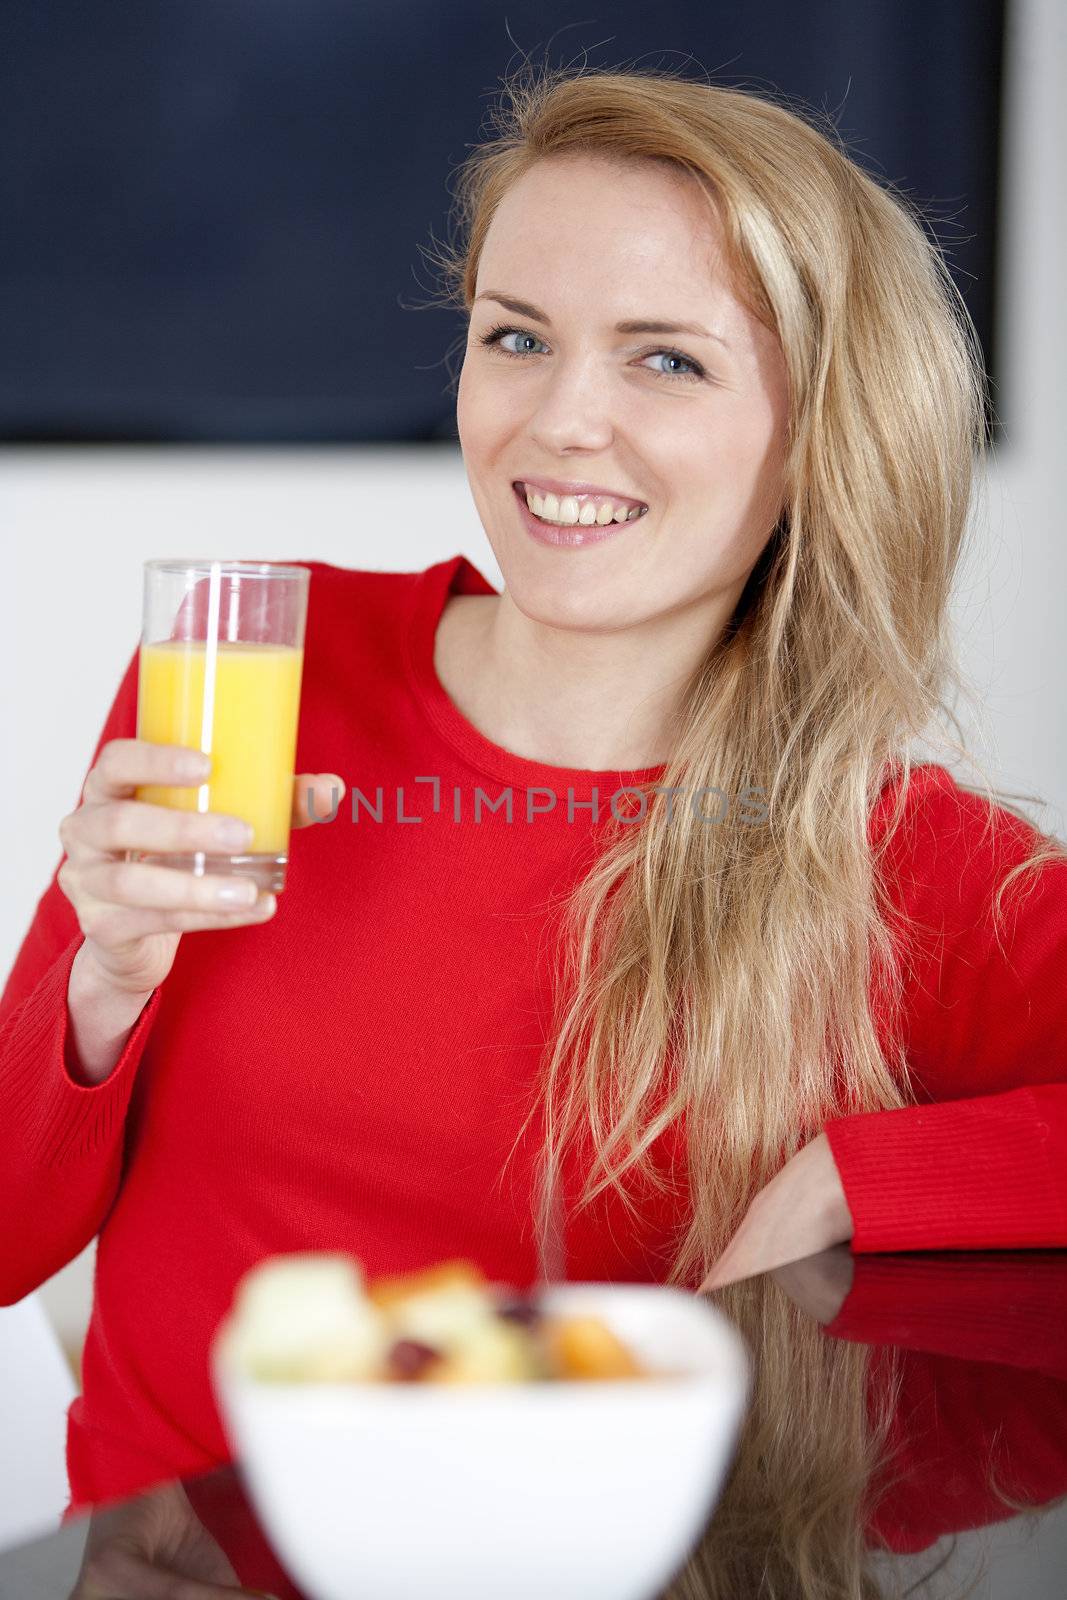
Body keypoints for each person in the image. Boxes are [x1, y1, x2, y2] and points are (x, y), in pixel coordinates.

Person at [3, 60, 1066, 1600]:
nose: (563, 421)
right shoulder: (253, 684)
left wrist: (859, 1179)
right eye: (518, 337)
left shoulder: (910, 863)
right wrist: (100, 987)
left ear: (822, 428)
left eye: (668, 363)